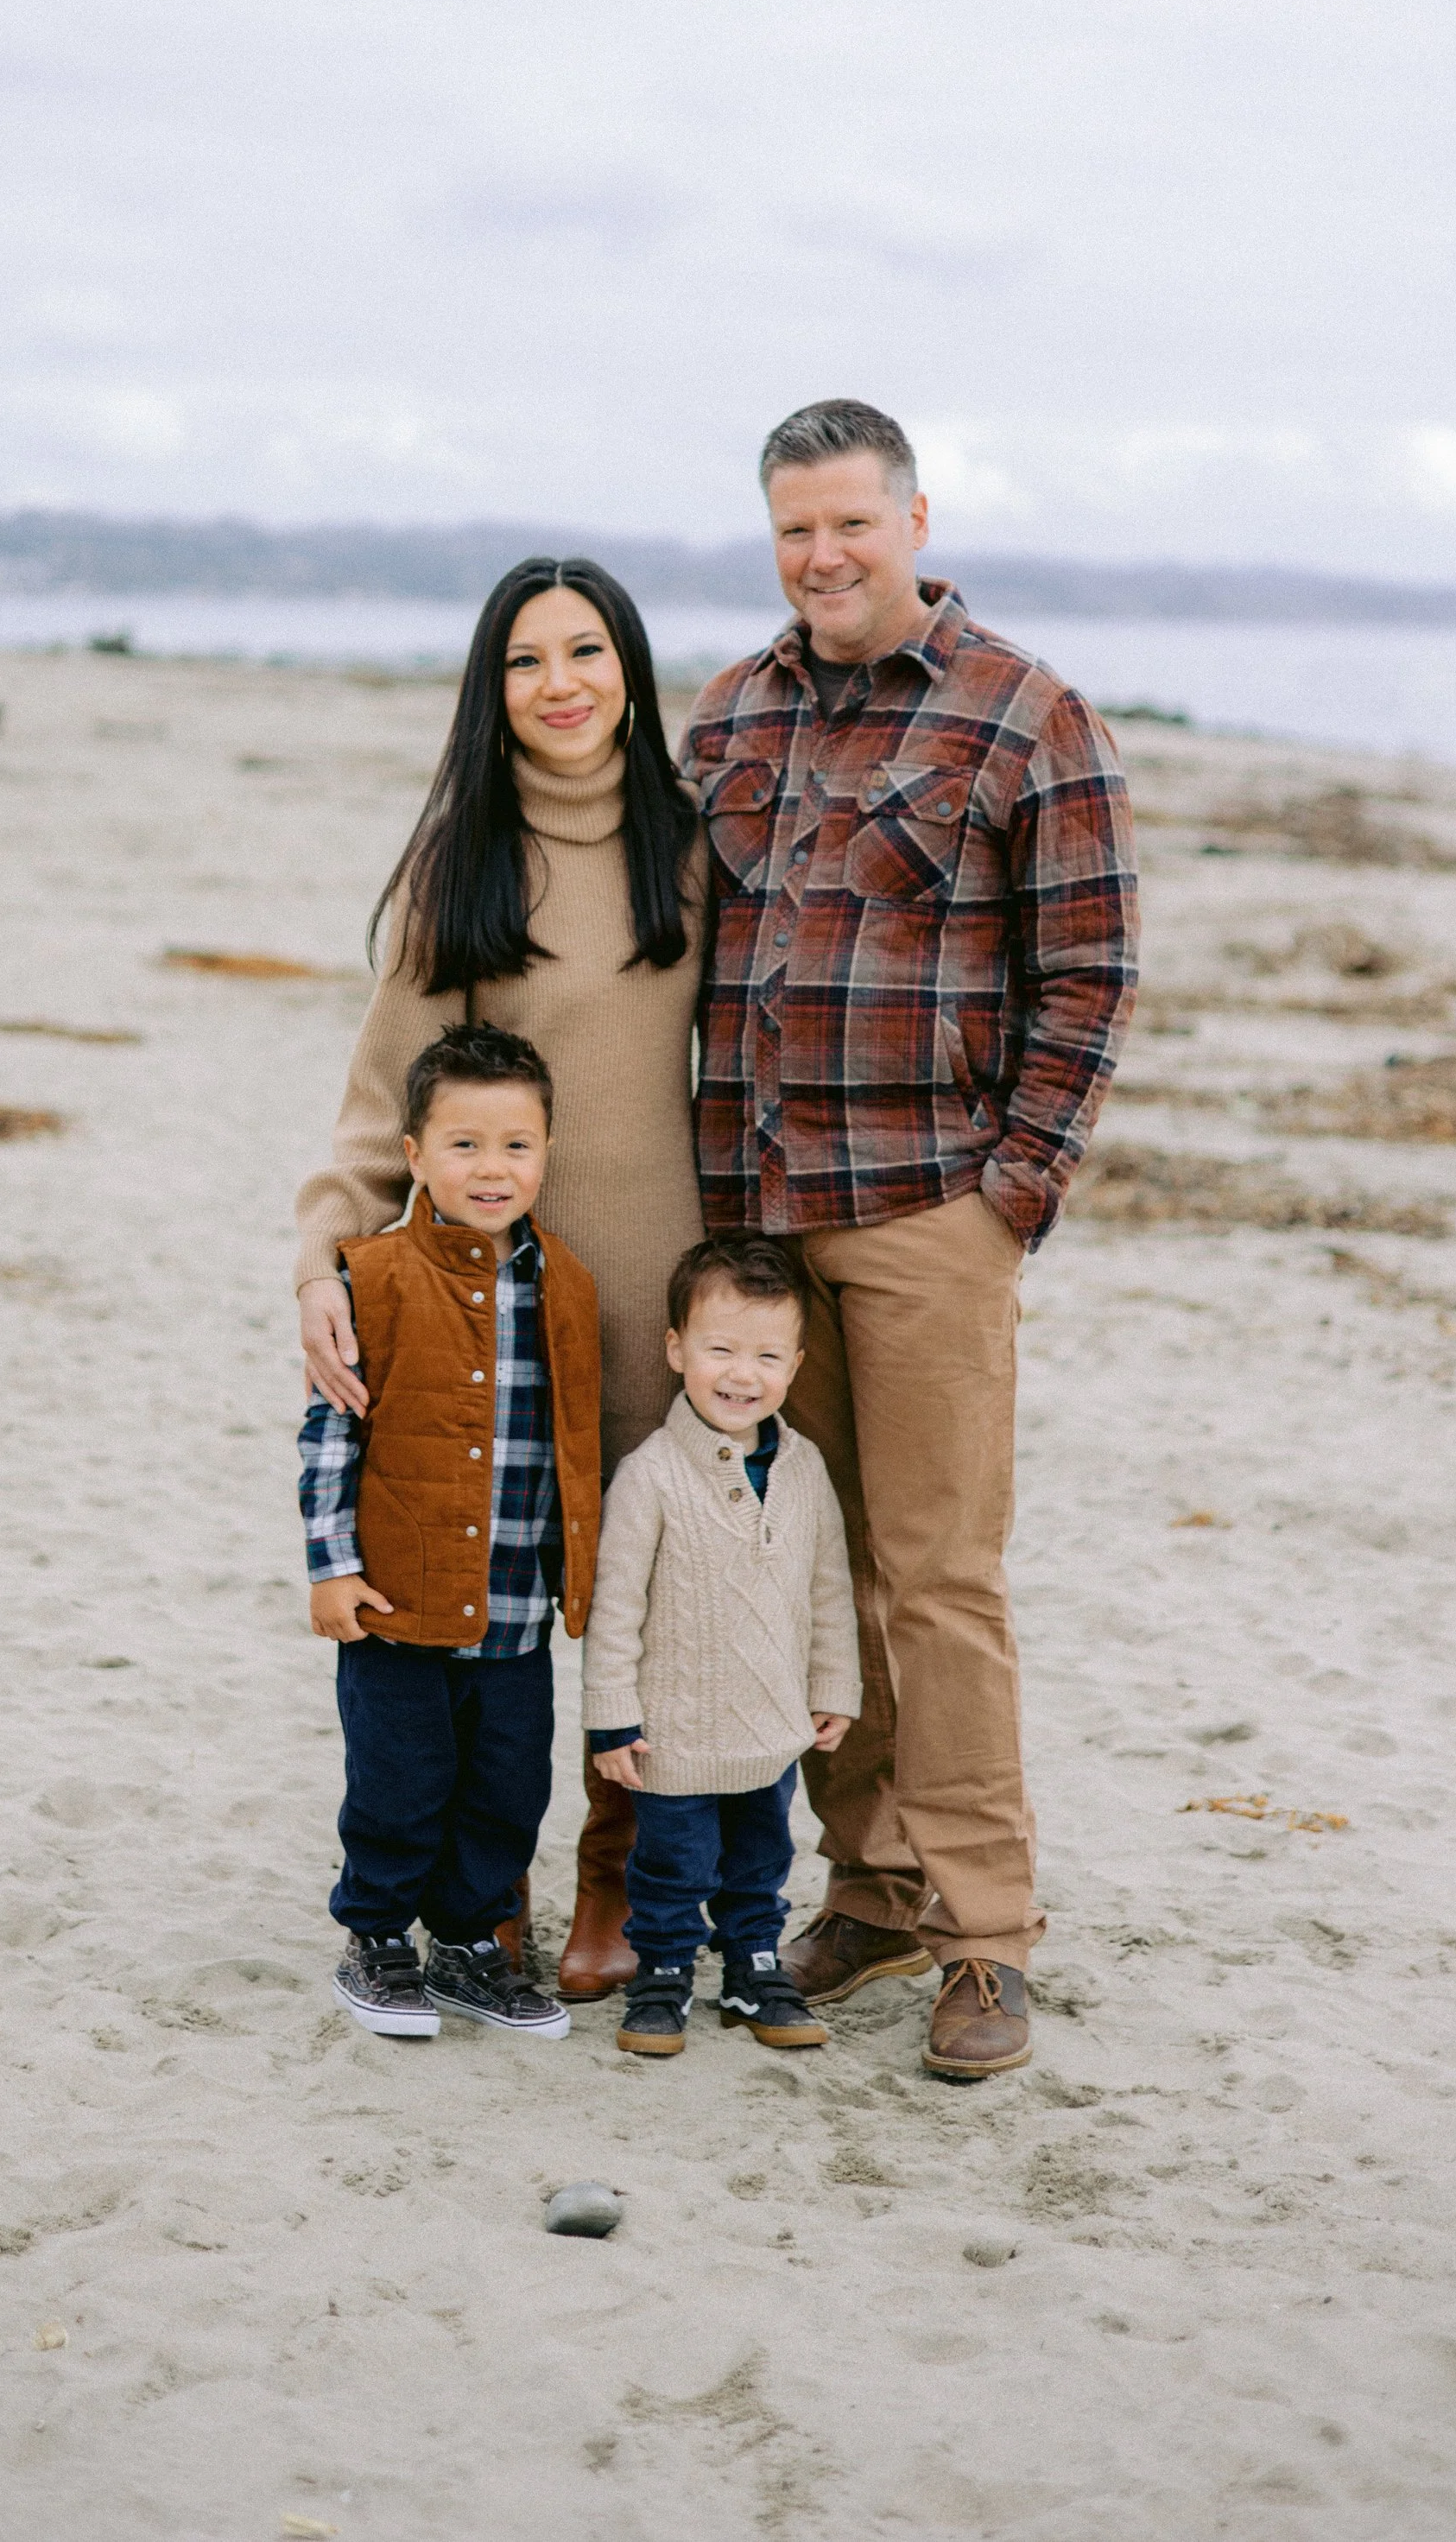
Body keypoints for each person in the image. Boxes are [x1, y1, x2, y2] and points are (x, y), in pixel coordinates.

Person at [680, 399, 1139, 2081]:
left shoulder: (1027, 715)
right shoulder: (728, 714)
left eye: (850, 526)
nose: (822, 557)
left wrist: (1011, 1191)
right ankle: (866, 1892)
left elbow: (1085, 978)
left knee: (936, 1583)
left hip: (928, 1214)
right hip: (760, 1230)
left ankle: (983, 1942)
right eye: (795, 530)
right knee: (809, 1571)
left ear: (916, 522)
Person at [294, 558, 706, 1999]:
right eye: (528, 661)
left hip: (666, 1286)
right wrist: (323, 1262)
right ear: (495, 689)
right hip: (505, 1303)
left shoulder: (693, 843)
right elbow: (375, 1101)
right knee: (504, 1600)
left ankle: (616, 1877)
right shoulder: (460, 863)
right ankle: (481, 1890)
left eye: (587, 651)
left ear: (632, 671)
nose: (563, 683)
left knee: (652, 1595)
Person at [298, 1022, 599, 2042]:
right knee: (397, 1783)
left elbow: (572, 1446)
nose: (491, 1168)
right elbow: (329, 1435)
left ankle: (470, 1946)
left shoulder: (569, 1285)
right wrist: (332, 1569)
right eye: (463, 1145)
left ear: (547, 1155)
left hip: (516, 1608)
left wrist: (584, 1579)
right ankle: (377, 1937)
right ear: (414, 1158)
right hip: (398, 1600)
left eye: (516, 1145)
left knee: (508, 1787)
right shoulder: (369, 1277)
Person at [583, 1234, 860, 2058]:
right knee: (672, 1863)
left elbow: (829, 1589)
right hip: (675, 1729)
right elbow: (616, 1607)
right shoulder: (652, 1473)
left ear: (798, 1364)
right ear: (676, 1349)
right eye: (721, 1350)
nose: (744, 1375)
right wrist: (611, 1718)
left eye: (768, 1355)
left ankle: (753, 1966)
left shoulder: (805, 1468)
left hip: (772, 1724)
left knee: (759, 1858)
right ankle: (663, 1971)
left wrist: (834, 1686)